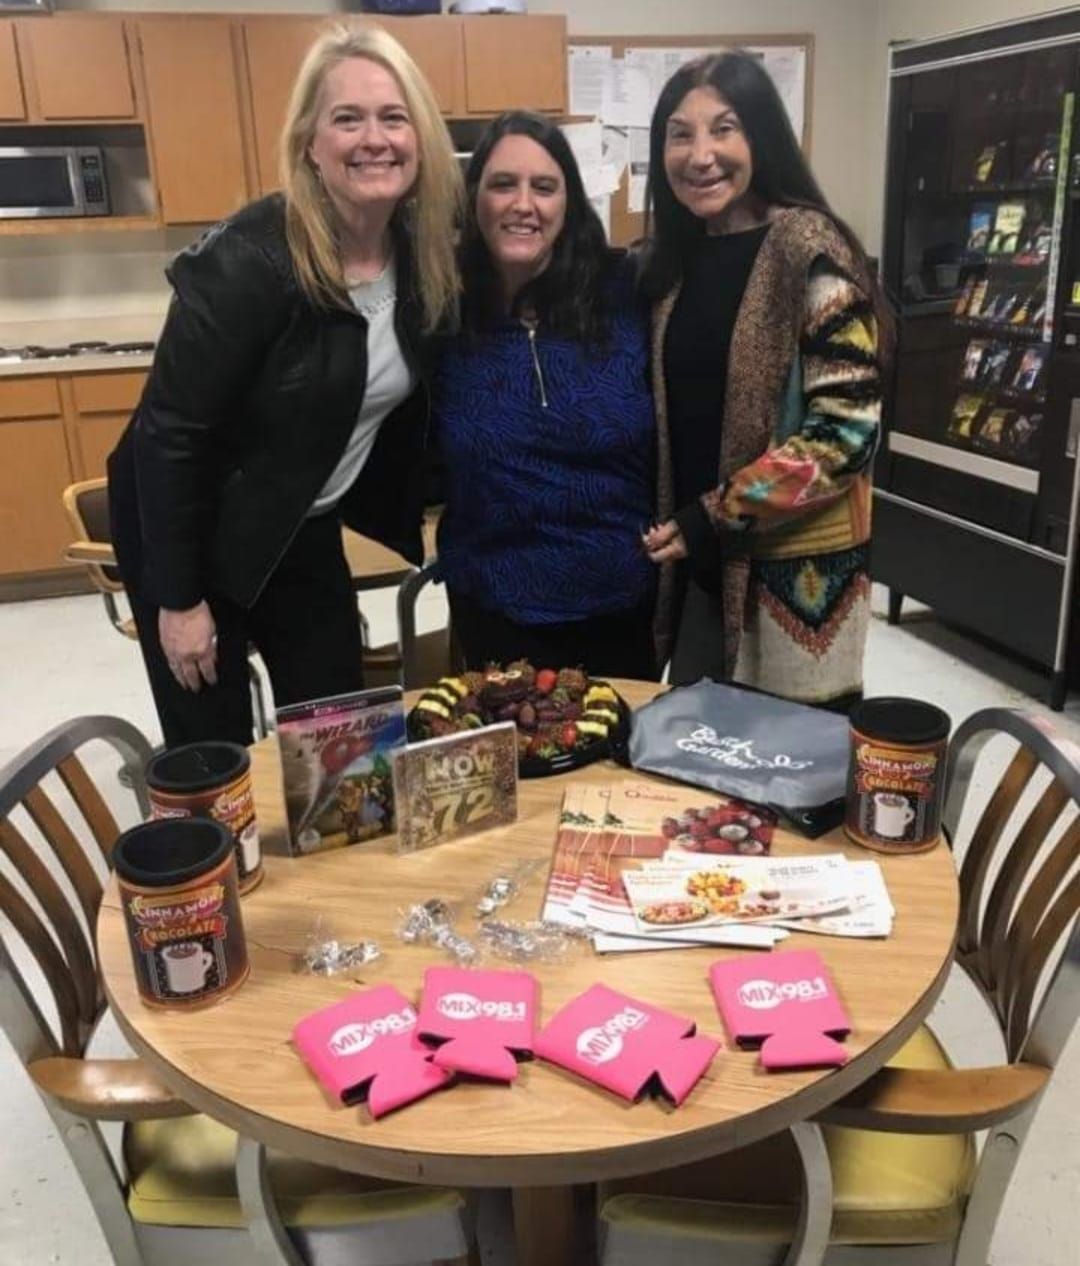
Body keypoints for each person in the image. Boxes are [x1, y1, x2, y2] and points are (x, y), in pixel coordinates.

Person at [108, 23, 462, 746]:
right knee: (215, 753)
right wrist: (178, 602)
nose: (375, 138)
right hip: (192, 538)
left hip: (299, 527)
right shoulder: (247, 260)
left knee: (339, 741)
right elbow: (169, 434)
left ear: (419, 137)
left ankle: (331, 862)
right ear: (310, 142)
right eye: (348, 118)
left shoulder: (420, 260)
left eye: (393, 117)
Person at [640, 51, 890, 711]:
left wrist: (716, 514)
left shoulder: (811, 249)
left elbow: (845, 434)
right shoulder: (677, 257)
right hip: (701, 572)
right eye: (680, 134)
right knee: (694, 775)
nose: (701, 155)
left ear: (760, 137)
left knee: (783, 782)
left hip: (795, 589)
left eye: (724, 128)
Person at [434, 111, 658, 680]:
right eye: (503, 184)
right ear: (474, 199)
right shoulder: (440, 314)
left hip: (622, 604)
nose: (523, 204)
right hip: (494, 610)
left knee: (617, 766)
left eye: (544, 186)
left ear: (569, 203)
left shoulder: (628, 293)